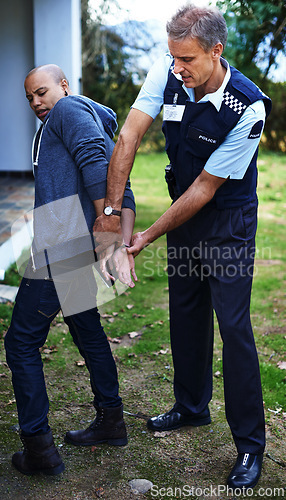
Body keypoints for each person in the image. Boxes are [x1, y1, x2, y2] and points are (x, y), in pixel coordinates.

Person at [93, 4, 271, 490]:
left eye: (187, 59)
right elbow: (127, 136)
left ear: (216, 52)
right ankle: (192, 407)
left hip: (227, 219)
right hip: (185, 215)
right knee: (186, 313)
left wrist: (145, 235)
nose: (178, 68)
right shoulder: (167, 70)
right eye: (172, 57)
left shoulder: (248, 107)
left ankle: (250, 446)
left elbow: (205, 189)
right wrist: (110, 219)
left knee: (233, 328)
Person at [4, 64, 137, 476]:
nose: (36, 102)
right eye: (29, 97)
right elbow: (122, 183)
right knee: (86, 328)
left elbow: (96, 165)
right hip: (72, 243)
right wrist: (119, 240)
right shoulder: (85, 117)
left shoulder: (68, 111)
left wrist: (109, 233)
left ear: (63, 85)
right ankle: (111, 421)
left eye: (41, 92)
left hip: (62, 247)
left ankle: (40, 450)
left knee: (20, 342)